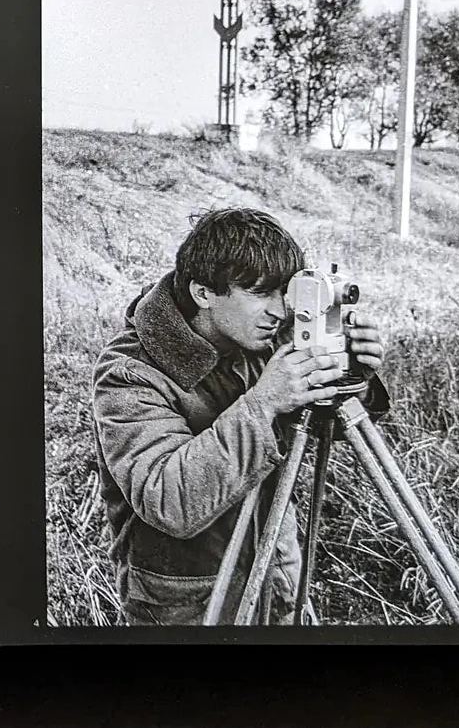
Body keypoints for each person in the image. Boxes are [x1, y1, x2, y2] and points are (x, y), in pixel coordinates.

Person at [91, 207, 390, 626]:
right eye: (258, 293)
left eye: (282, 292)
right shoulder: (131, 374)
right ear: (203, 292)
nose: (278, 311)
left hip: (272, 568)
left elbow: (320, 428)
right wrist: (264, 402)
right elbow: (169, 502)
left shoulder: (261, 340)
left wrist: (348, 372)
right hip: (189, 596)